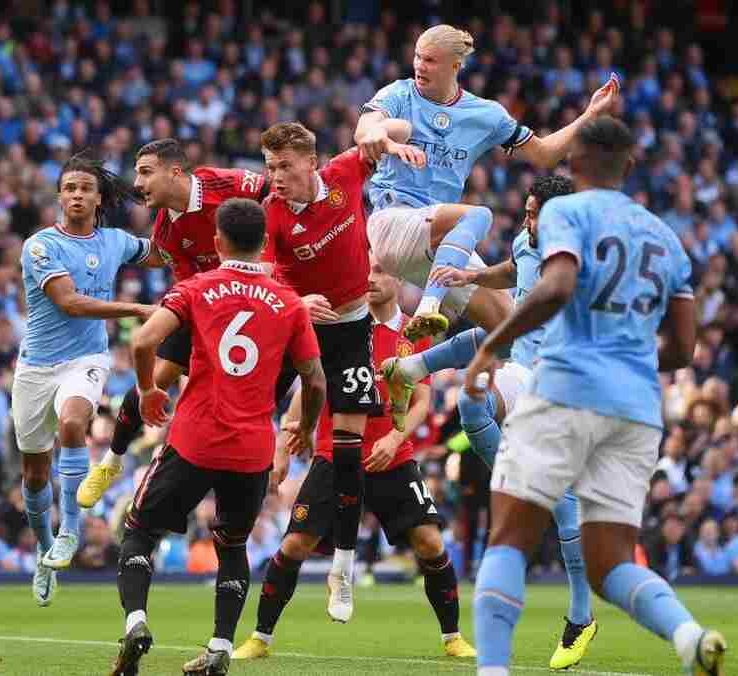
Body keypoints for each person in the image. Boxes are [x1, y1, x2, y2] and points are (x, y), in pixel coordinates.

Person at [462, 117, 725, 675]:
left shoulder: (565, 212)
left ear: (574, 161)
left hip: (564, 388)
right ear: (628, 166)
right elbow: (682, 348)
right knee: (610, 562)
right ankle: (688, 635)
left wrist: (493, 347)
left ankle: (491, 669)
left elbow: (555, 286)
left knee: (508, 537)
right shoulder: (666, 238)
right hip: (634, 411)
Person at [380, 174, 596, 666]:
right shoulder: (527, 241)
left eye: (536, 213)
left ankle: (581, 616)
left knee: (564, 505)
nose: (527, 220)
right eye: (526, 210)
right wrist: (475, 277)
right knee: (470, 402)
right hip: (525, 371)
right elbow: (514, 270)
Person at [110, 198, 325, 676]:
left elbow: (144, 341)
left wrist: (147, 391)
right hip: (251, 449)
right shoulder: (290, 304)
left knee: (141, 530)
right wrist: (304, 429)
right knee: (232, 545)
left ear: (217, 242)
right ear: (264, 243)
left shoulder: (196, 288)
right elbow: (314, 379)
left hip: (195, 438)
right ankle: (221, 647)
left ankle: (136, 624)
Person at [233, 255, 476, 661]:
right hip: (335, 453)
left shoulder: (413, 330)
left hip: (392, 458)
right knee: (295, 544)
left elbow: (421, 399)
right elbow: (308, 387)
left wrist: (395, 438)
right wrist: (282, 445)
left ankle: (453, 637)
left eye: (380, 271)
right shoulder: (339, 328)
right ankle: (260, 637)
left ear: (399, 279)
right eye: (365, 270)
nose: (370, 278)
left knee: (430, 541)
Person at [355, 24, 619, 340]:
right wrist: (375, 136)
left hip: (442, 243)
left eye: (430, 60)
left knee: (514, 329)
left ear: (455, 66)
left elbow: (545, 155)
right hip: (393, 224)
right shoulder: (398, 94)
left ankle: (412, 368)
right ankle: (429, 307)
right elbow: (367, 127)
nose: (419, 66)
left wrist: (589, 114)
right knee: (478, 215)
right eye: (417, 57)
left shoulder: (486, 115)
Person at [259, 121, 420, 621]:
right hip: (301, 327)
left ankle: (343, 569)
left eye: (285, 166)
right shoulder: (272, 214)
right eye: (270, 167)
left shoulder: (347, 173)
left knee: (349, 454)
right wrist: (296, 300)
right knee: (252, 403)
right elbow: (261, 275)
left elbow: (398, 124)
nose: (277, 177)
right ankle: (263, 466)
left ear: (310, 162)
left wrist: (384, 136)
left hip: (351, 331)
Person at [78, 138, 268, 507]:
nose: (137, 183)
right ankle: (111, 461)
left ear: (176, 172)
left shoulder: (226, 185)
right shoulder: (165, 230)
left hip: (258, 302)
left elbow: (273, 193)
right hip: (210, 306)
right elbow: (185, 282)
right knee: (150, 380)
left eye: (146, 172)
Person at [12, 152, 161, 607]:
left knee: (74, 424)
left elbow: (161, 253)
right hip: (36, 367)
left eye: (85, 188)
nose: (77, 195)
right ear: (60, 196)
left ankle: (70, 530)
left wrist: (191, 225)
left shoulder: (116, 241)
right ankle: (44, 548)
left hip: (87, 359)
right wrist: (136, 310)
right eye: (70, 188)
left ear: (99, 198)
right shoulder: (40, 246)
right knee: (35, 473)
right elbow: (70, 302)